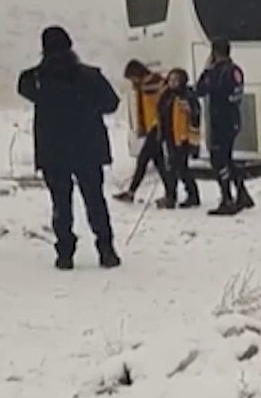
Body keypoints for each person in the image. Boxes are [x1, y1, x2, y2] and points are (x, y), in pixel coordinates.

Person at [17, 26, 121, 269]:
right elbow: (111, 103)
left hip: (54, 151)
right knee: (95, 200)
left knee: (61, 203)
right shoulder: (90, 76)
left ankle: (65, 253)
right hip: (88, 148)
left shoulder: (36, 79)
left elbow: (23, 87)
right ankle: (106, 250)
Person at [197, 40, 254, 215]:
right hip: (233, 119)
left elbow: (201, 89)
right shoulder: (236, 70)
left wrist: (207, 69)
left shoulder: (217, 72)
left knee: (219, 160)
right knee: (227, 159)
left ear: (214, 52)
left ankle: (227, 198)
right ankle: (242, 193)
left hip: (220, 121)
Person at [113, 60, 168, 203]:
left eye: (132, 78)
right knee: (159, 163)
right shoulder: (147, 84)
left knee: (143, 160)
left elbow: (159, 102)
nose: (132, 82)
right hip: (153, 127)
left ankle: (132, 192)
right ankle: (170, 192)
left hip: (156, 127)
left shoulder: (150, 84)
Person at [155, 67, 202, 209]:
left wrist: (190, 111)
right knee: (178, 168)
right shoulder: (166, 95)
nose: (172, 82)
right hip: (169, 136)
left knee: (177, 168)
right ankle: (186, 195)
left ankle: (173, 196)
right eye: (170, 79)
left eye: (176, 80)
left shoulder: (187, 96)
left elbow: (196, 115)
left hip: (182, 138)